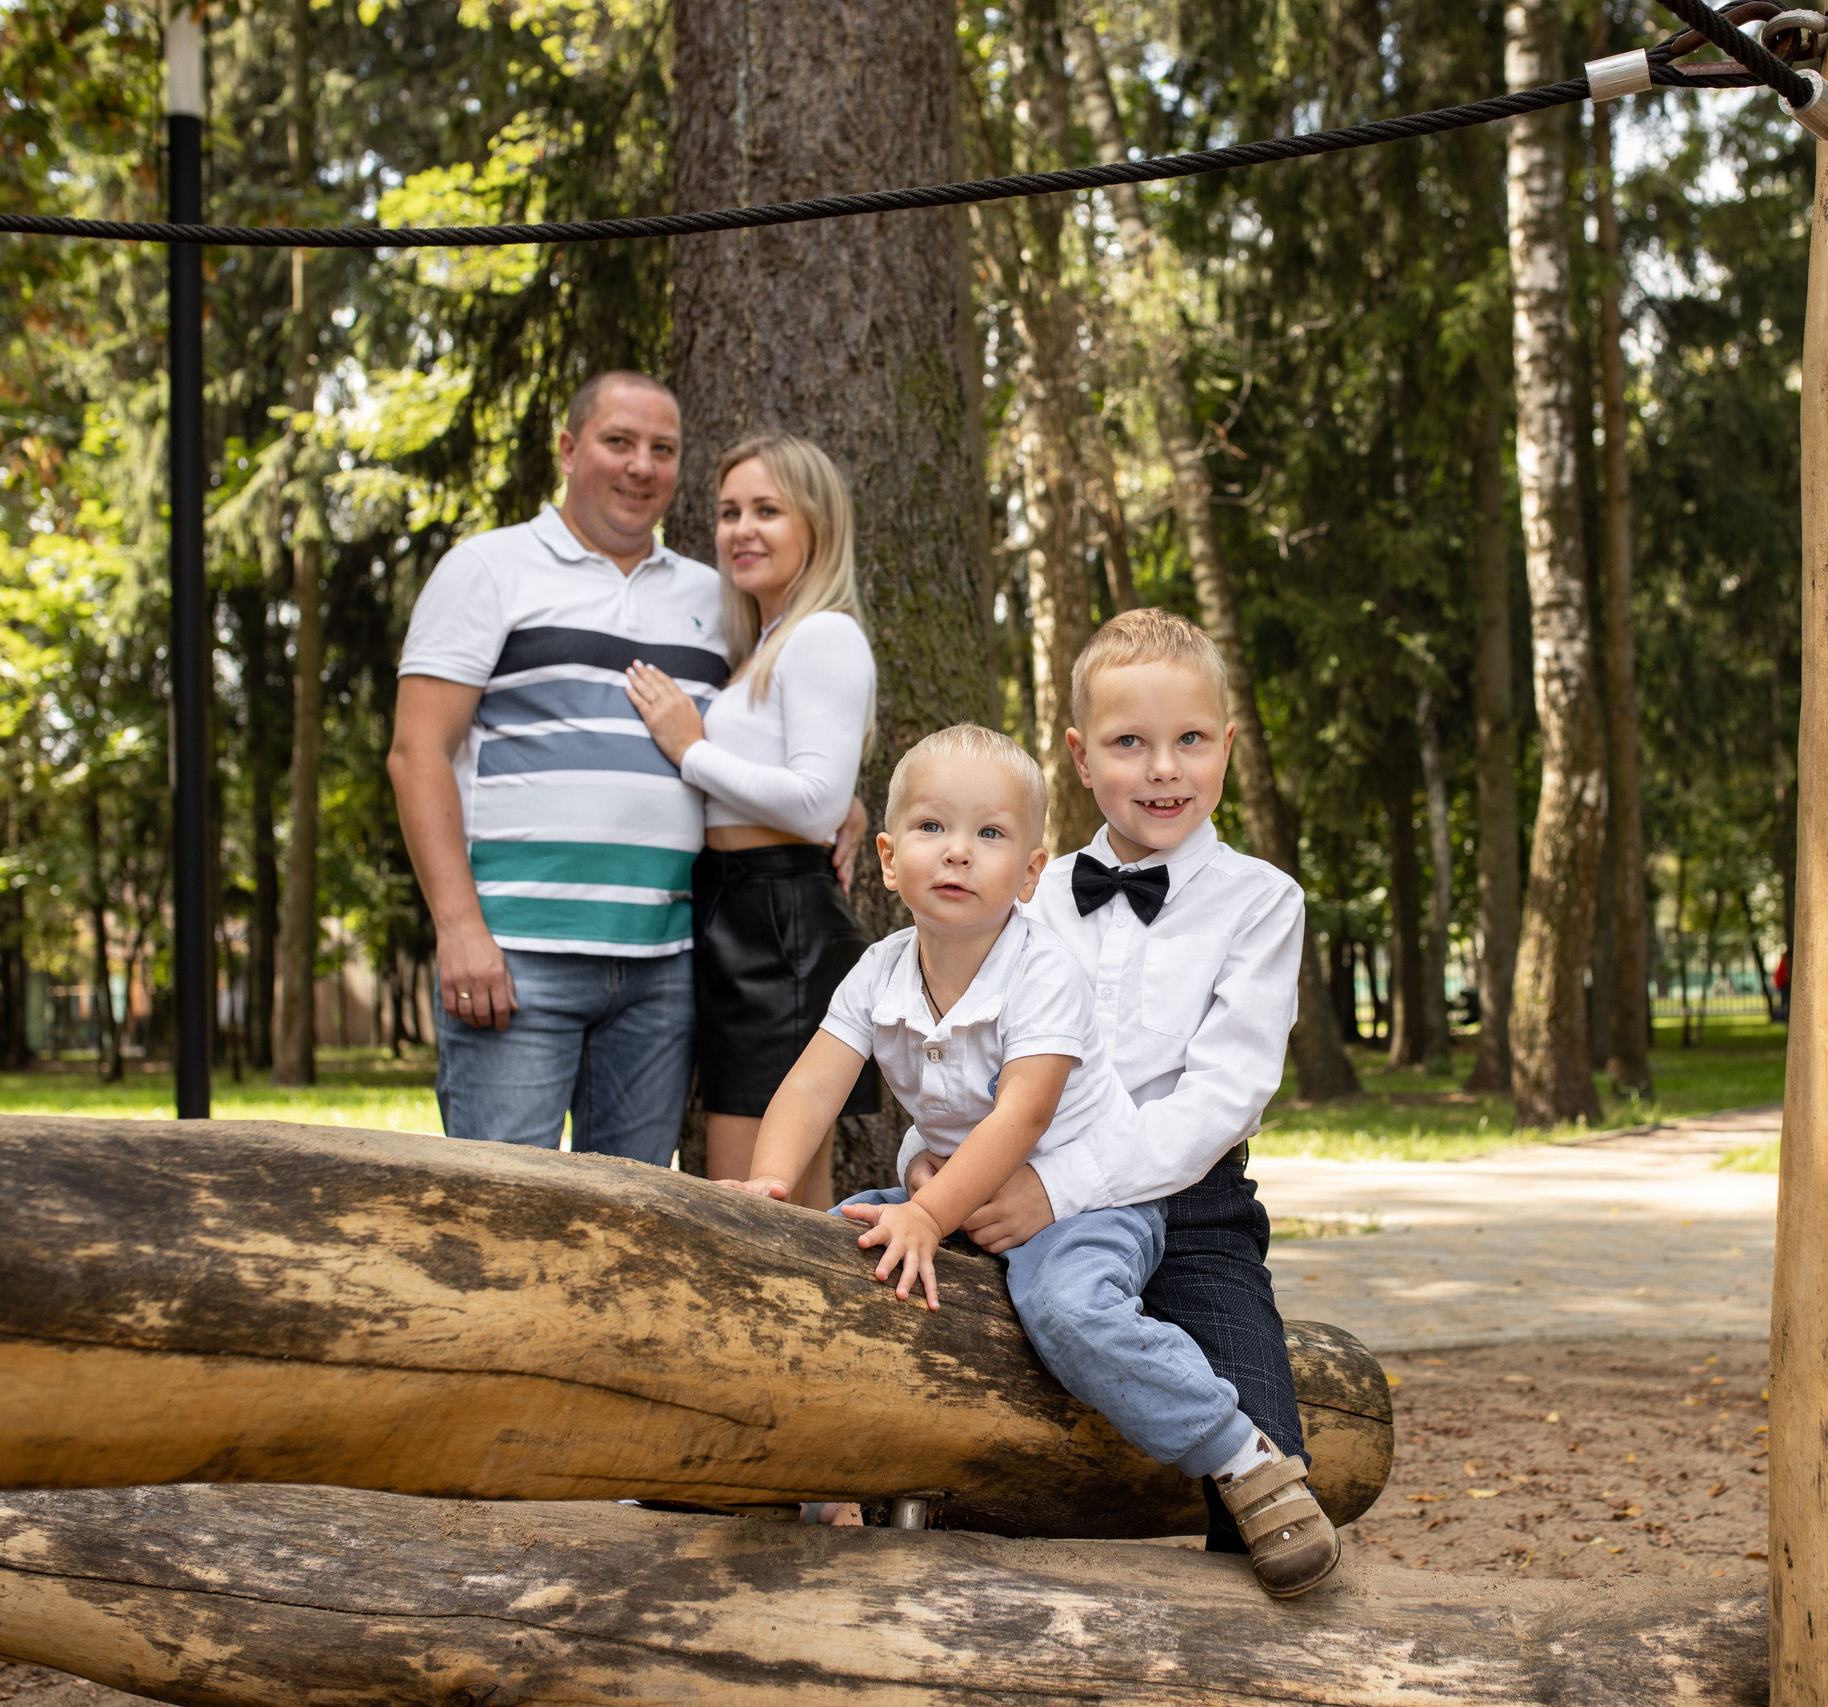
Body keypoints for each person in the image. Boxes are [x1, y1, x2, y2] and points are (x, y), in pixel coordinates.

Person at [722, 723, 1340, 1599]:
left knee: (1069, 1307)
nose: (960, 854)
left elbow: (1023, 1115)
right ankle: (801, 1478)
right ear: (889, 858)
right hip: (952, 1190)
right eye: (934, 829)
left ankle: (1242, 1457)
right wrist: (769, 1187)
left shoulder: (1042, 967)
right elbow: (812, 1087)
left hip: (1089, 1202)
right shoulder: (878, 969)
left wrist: (932, 1215)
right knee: (820, 1252)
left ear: (1033, 872)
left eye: (990, 835)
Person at [904, 608, 1311, 1559]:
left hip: (1191, 1205)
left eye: (1190, 741)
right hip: (1006, 1184)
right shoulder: (1028, 893)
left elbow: (1220, 1100)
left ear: (1227, 747)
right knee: (939, 1398)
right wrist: (937, 1163)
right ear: (1082, 759)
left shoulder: (1261, 902)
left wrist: (1057, 1189)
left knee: (1270, 1494)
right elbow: (956, 1046)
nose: (1163, 768)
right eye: (1131, 743)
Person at [388, 374, 855, 1163]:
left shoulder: (717, 597)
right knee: (503, 1209)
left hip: (664, 968)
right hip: (515, 954)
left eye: (662, 450)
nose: (641, 466)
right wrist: (459, 927)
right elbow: (415, 753)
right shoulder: (489, 568)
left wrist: (841, 802)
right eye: (619, 442)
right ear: (570, 450)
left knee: (636, 1223)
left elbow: (775, 719)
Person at [624, 434, 880, 1211]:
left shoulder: (823, 634)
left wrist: (690, 749)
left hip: (780, 929)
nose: (742, 530)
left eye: (767, 510)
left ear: (817, 525)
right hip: (737, 908)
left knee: (749, 1205)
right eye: (730, 512)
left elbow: (816, 801)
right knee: (774, 1202)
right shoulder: (766, 639)